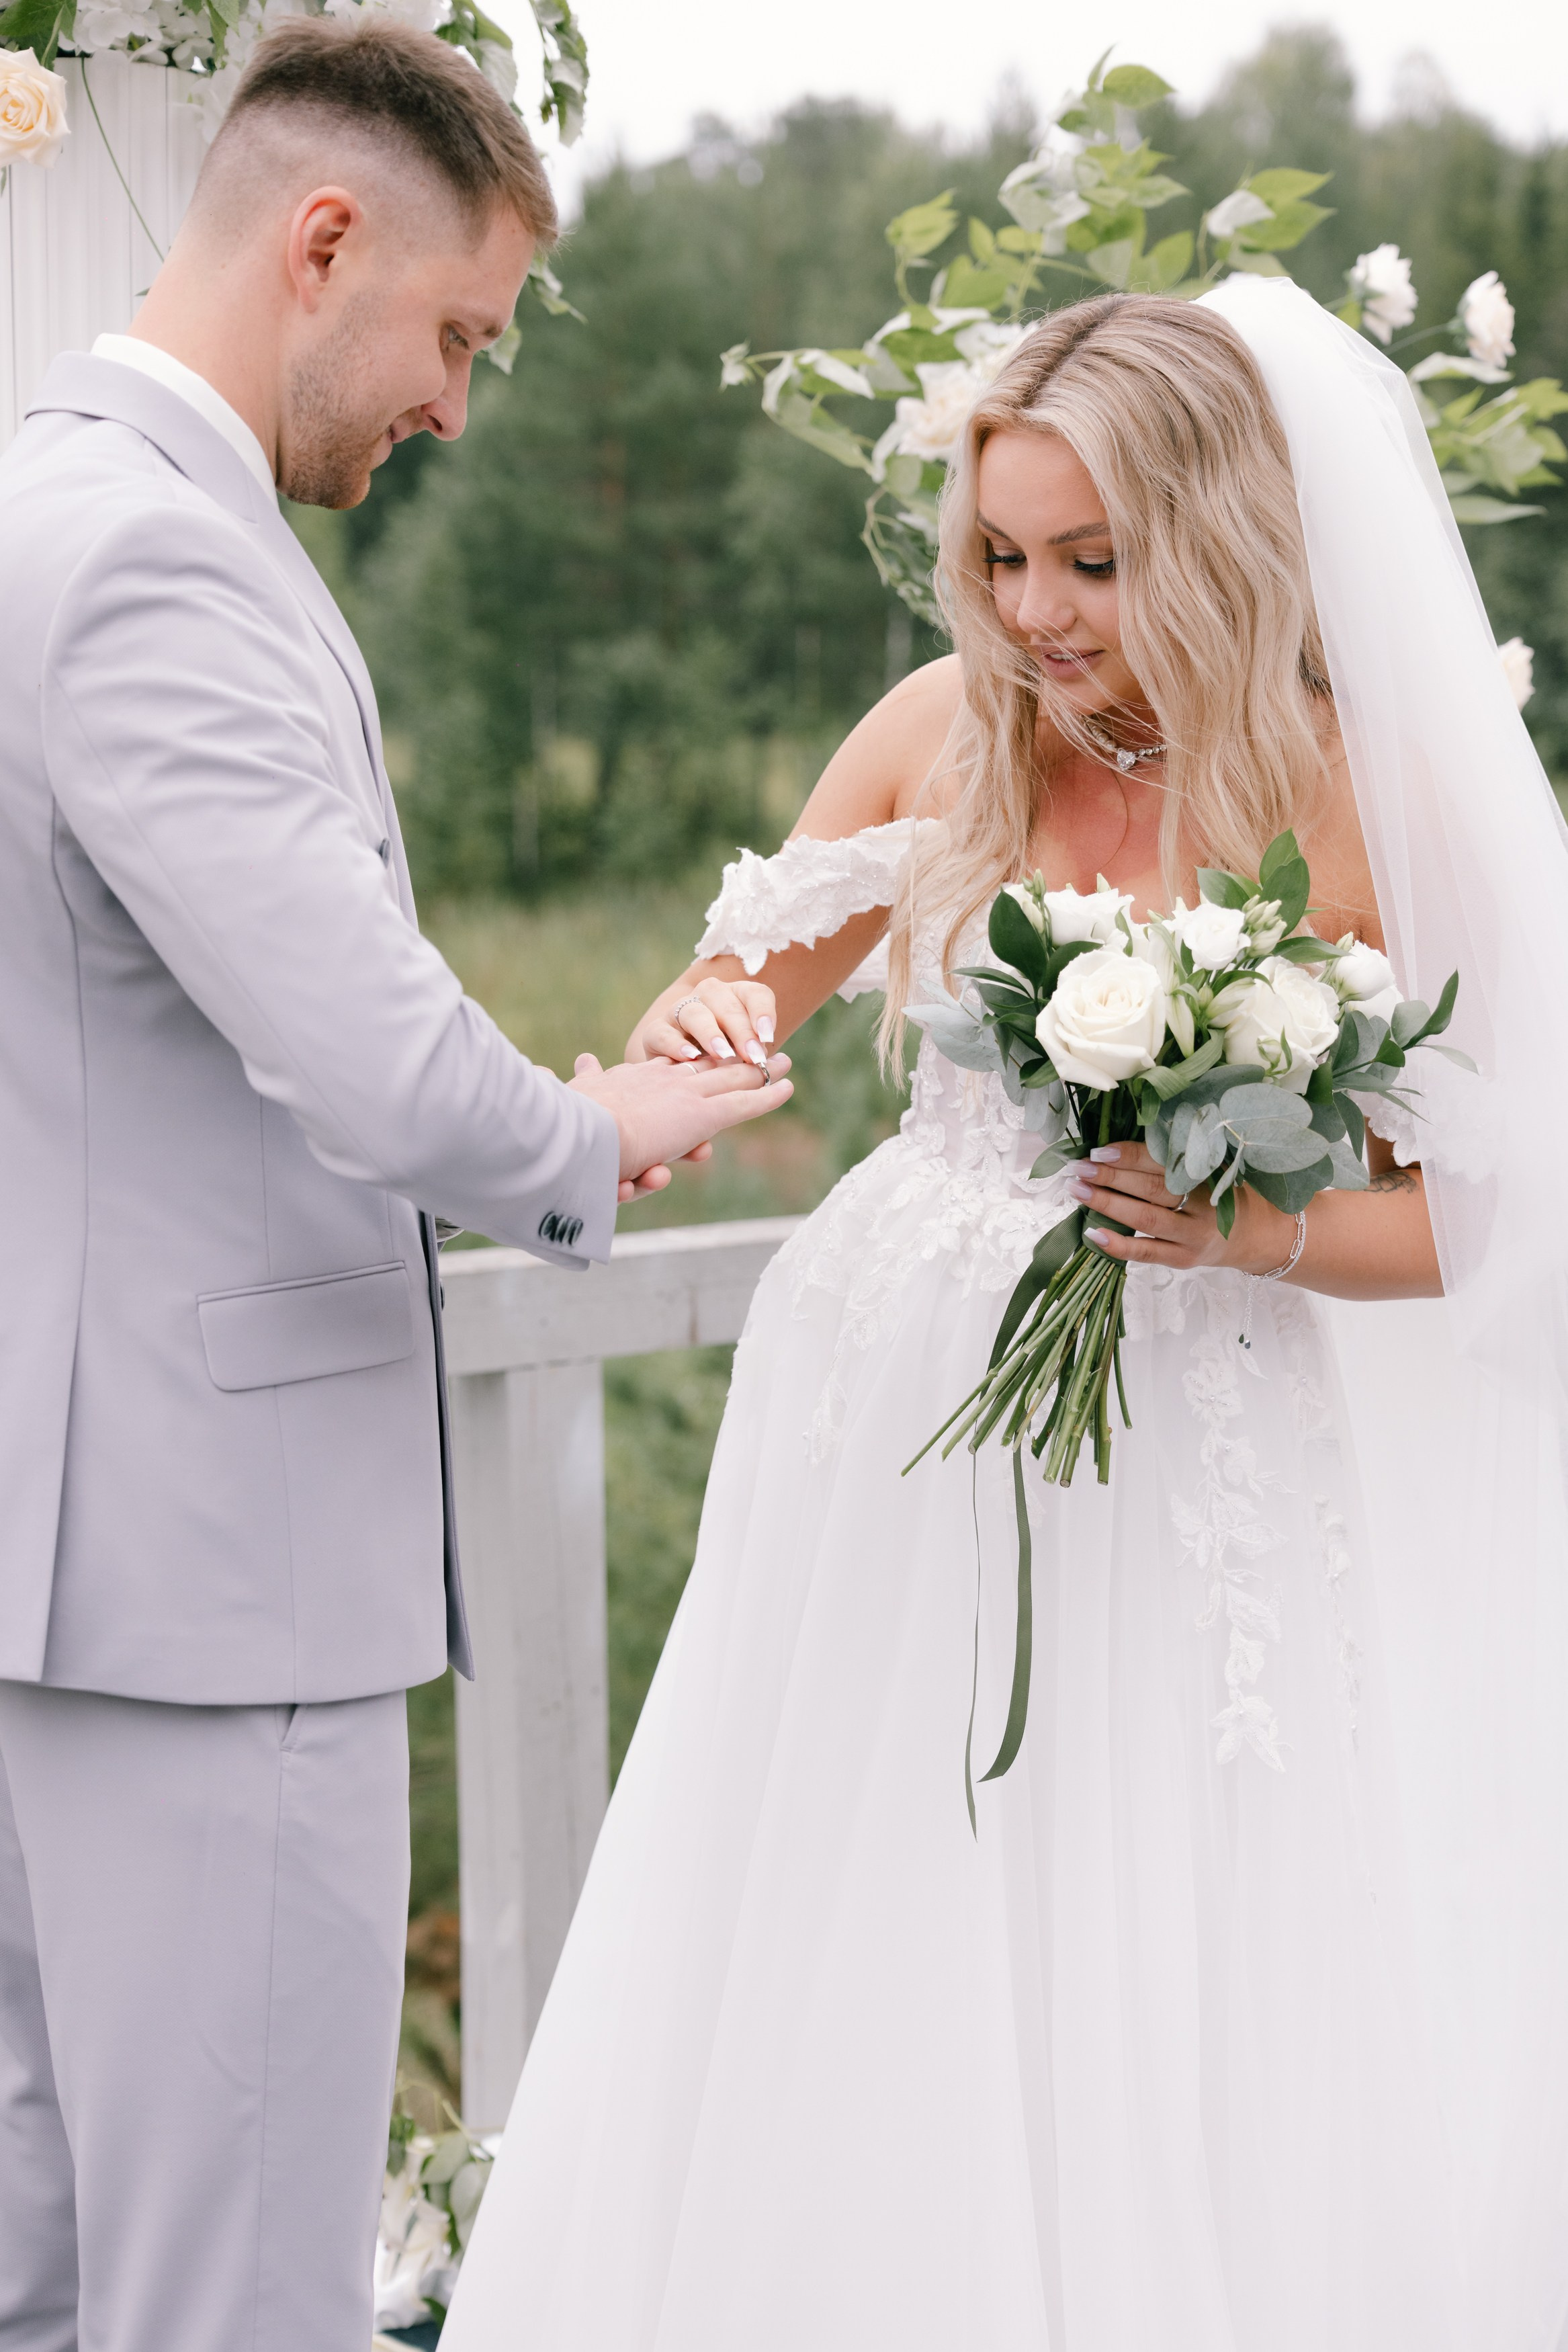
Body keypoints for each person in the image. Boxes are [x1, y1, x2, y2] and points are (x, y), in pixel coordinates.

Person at [443, 280, 1568, 2349]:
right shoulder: (941, 733)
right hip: (886, 1419)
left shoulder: (1349, 793)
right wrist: (687, 1032)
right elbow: (728, 1010)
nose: (1033, 609)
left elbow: (1500, 1224)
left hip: (1196, 1430)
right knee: (875, 1884)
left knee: (1159, 1910)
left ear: (1221, 538)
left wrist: (1255, 1238)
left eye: (1092, 560)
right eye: (1000, 555)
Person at [0, 21, 790, 2352]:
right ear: (323, 237)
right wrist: (601, 1129)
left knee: (50, 2278)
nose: (458, 405)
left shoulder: (30, 495)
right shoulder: (160, 558)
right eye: (459, 335)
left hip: (68, 1568)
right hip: (218, 1585)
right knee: (237, 2294)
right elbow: (353, 1039)